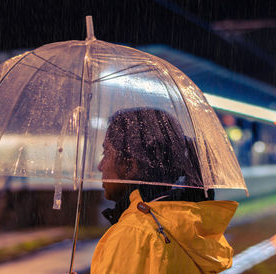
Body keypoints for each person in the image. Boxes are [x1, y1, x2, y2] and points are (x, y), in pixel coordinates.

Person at [90, 108, 238, 274]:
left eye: (106, 153)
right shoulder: (181, 226)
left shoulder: (134, 233)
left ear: (130, 166)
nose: (100, 166)